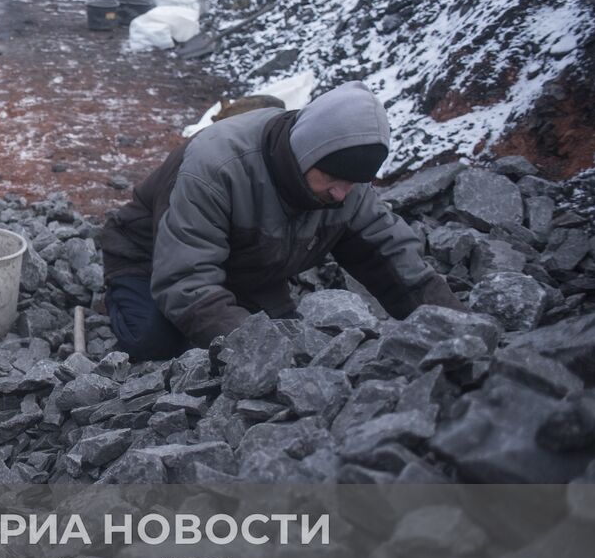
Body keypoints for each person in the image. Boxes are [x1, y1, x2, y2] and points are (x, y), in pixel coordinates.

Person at [98, 83, 465, 362]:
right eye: (332, 179)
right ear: (305, 154)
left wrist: (458, 329)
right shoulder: (215, 169)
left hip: (247, 267)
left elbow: (393, 259)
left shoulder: (345, 185)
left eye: (353, 183)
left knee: (292, 341)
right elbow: (186, 282)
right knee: (157, 344)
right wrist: (264, 357)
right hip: (149, 256)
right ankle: (119, 294)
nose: (341, 194)